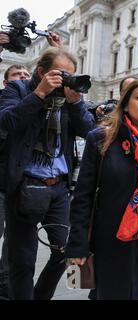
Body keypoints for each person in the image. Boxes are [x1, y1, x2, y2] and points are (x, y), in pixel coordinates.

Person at [66, 78, 138, 300]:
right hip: (110, 238)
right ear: (126, 103)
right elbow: (84, 196)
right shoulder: (101, 138)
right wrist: (77, 244)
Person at [0, 47, 96, 300]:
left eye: (71, 75)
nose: (67, 80)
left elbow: (89, 132)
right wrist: (39, 93)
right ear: (42, 71)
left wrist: (76, 103)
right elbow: (6, 122)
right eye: (61, 74)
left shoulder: (68, 100)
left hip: (58, 188)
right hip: (24, 185)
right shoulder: (18, 90)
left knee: (66, 251)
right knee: (23, 259)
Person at [0, 64, 31, 298]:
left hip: (19, 183)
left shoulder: (35, 105)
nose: (22, 79)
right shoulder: (6, 105)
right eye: (17, 76)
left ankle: (5, 285)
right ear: (6, 83)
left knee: (14, 240)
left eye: (26, 76)